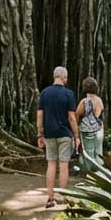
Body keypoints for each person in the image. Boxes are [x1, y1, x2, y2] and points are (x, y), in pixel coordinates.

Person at [36, 66, 80, 208]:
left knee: (51, 164)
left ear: (54, 77)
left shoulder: (44, 93)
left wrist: (39, 134)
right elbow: (72, 118)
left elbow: (40, 115)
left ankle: (50, 197)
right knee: (64, 165)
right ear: (64, 78)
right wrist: (76, 136)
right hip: (64, 134)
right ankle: (62, 196)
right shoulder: (69, 94)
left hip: (49, 134)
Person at [75, 77, 105, 171]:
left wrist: (77, 125)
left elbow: (77, 114)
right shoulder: (99, 100)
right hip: (99, 129)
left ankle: (89, 172)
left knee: (88, 153)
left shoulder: (85, 101)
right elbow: (100, 112)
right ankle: (99, 170)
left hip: (87, 132)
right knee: (98, 151)